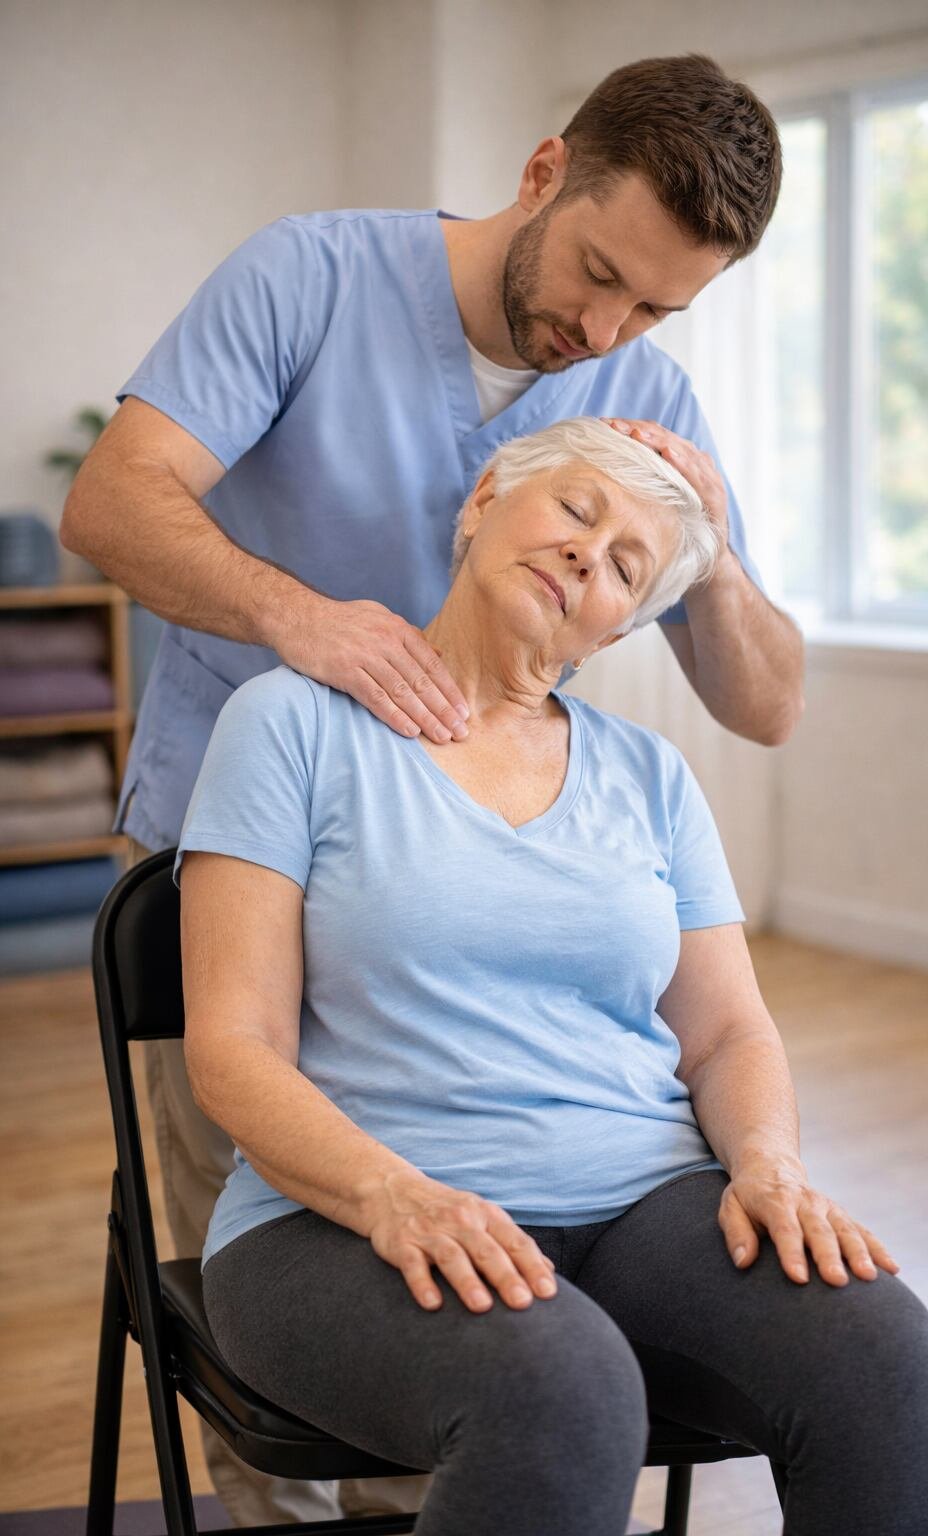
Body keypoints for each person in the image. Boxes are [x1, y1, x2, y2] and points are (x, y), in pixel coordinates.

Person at [62, 54, 807, 1525]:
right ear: (543, 172)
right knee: (285, 1310)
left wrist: (711, 553)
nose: (605, 333)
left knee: (472, 1361)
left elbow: (766, 703)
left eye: (655, 310)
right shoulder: (312, 277)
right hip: (254, 845)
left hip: (475, 894)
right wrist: (300, 618)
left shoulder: (642, 392)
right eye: (600, 275)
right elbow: (111, 500)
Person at [177, 418, 928, 1536]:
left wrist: (770, 1166)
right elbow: (233, 1047)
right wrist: (393, 1195)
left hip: (644, 1204)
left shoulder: (651, 775)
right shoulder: (290, 725)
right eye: (576, 511)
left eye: (627, 568)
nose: (587, 556)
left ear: (620, 628)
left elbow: (727, 1036)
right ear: (483, 503)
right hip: (344, 1217)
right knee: (559, 1390)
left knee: (876, 1348)